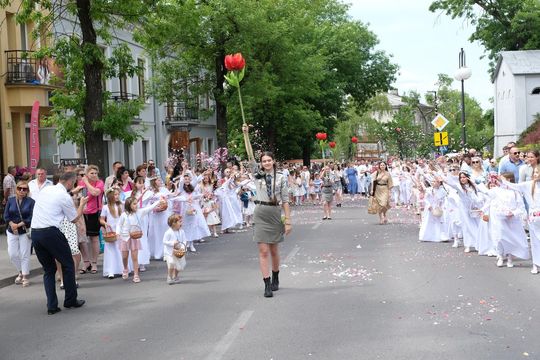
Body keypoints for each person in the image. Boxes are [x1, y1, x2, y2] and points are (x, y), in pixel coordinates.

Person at [243, 124, 291, 298]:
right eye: (263, 161)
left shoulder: (281, 178)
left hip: (274, 213)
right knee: (263, 251)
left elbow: (285, 200)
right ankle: (266, 284)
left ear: (273, 162)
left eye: (269, 160)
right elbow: (249, 155)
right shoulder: (257, 175)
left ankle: (276, 275)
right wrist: (246, 135)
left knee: (273, 250)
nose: (266, 163)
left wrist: (288, 220)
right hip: (260, 212)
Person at [30, 172, 88, 315]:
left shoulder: (47, 189)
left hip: (35, 233)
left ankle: (51, 306)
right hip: (50, 232)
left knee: (48, 270)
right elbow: (74, 218)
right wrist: (81, 204)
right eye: (74, 183)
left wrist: (72, 192)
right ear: (70, 182)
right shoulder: (64, 197)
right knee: (68, 264)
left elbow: (59, 197)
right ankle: (70, 300)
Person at [116, 196, 165, 283]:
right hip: (125, 237)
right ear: (129, 205)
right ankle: (125, 268)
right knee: (124, 257)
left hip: (135, 237)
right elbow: (119, 225)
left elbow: (149, 208)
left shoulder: (139, 212)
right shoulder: (124, 215)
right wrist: (117, 233)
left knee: (135, 257)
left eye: (136, 203)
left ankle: (136, 274)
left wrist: (158, 201)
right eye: (134, 204)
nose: (136, 205)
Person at [3, 180, 35, 287]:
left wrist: (19, 225)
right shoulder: (11, 200)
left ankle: (25, 276)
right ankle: (21, 271)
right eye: (19, 188)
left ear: (27, 191)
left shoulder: (31, 202)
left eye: (24, 189)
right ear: (16, 189)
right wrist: (12, 224)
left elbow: (31, 217)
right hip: (12, 230)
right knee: (13, 254)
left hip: (24, 231)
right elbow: (6, 215)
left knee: (24, 254)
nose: (22, 190)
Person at [162, 214, 187, 284]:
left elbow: (184, 240)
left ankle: (175, 276)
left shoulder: (182, 231)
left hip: (179, 251)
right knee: (171, 263)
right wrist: (173, 243)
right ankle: (169, 277)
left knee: (180, 266)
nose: (181, 223)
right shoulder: (168, 232)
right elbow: (164, 241)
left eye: (181, 221)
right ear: (174, 223)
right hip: (170, 252)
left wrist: (183, 247)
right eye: (179, 222)